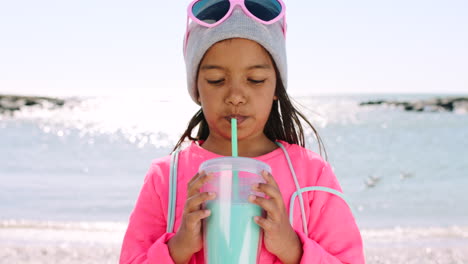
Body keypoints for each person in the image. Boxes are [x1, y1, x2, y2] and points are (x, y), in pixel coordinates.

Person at [120, 1, 364, 263]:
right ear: (197, 88)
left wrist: (291, 247)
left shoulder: (311, 174)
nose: (235, 96)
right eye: (216, 80)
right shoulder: (166, 177)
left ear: (275, 88)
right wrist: (178, 248)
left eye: (256, 80)